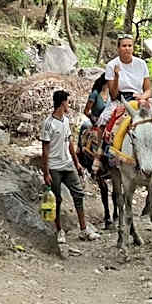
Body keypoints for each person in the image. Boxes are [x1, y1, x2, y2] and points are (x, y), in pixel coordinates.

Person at [40, 90, 101, 246]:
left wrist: (77, 164)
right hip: (54, 166)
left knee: (78, 194)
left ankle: (84, 229)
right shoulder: (48, 124)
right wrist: (46, 172)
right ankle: (59, 230)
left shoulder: (66, 121)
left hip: (67, 164)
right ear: (62, 103)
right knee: (57, 200)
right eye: (67, 102)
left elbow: (70, 144)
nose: (69, 105)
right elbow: (45, 150)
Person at [104, 34, 152, 103]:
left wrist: (142, 97)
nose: (127, 48)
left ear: (133, 48)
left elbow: (148, 90)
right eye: (124, 46)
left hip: (139, 99)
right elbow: (113, 96)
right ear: (118, 48)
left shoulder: (141, 64)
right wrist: (116, 77)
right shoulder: (111, 65)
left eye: (130, 46)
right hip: (119, 100)